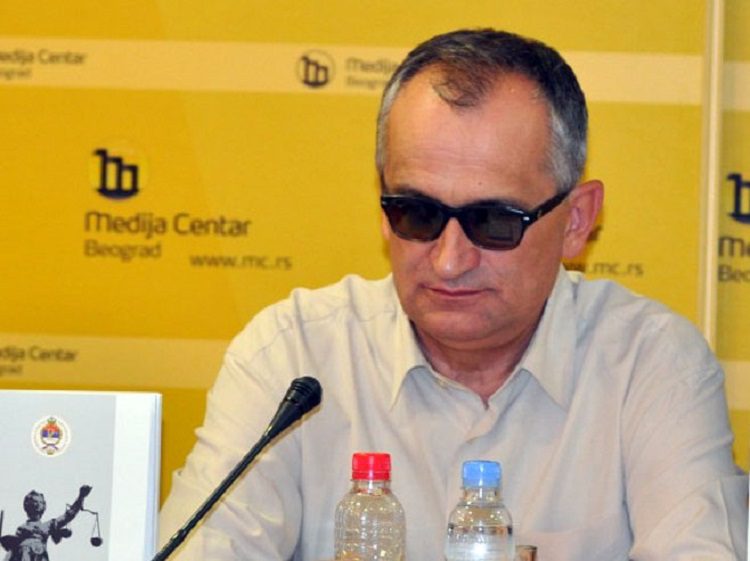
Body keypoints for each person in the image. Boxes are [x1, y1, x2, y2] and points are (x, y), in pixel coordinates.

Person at [159, 29, 748, 560]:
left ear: (575, 221)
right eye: (417, 213)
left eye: (493, 221)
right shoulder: (294, 358)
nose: (449, 260)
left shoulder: (650, 365)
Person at [1, 486, 91, 561]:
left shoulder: (47, 526)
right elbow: (11, 552)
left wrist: (81, 497)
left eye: (36, 503)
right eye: (31, 503)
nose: (34, 505)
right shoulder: (21, 529)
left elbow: (68, 515)